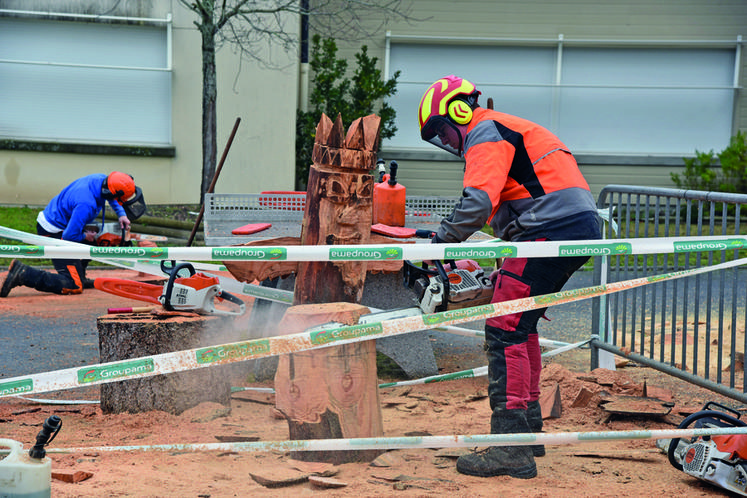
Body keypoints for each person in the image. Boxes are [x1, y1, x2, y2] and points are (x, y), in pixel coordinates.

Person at [417, 75, 602, 479]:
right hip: (571, 226)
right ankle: (528, 433)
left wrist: (440, 242)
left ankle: (511, 448)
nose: (446, 142)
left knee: (505, 330)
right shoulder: (507, 127)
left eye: (442, 131)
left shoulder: (485, 131)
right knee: (523, 325)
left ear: (458, 110)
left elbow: (478, 200)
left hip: (549, 231)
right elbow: (516, 198)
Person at [0, 172, 146, 297]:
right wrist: (85, 237)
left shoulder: (103, 180)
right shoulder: (86, 204)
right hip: (54, 233)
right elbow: (70, 236)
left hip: (61, 223)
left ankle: (80, 274)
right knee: (73, 285)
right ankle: (24, 274)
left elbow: (112, 197)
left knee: (93, 238)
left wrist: (121, 214)